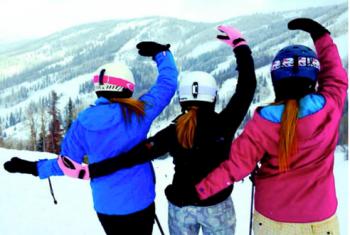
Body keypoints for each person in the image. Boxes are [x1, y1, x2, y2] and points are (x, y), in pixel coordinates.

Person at [87, 25, 256, 235]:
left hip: (180, 205)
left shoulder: (174, 130)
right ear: (213, 96)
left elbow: (135, 156)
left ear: (182, 98)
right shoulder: (224, 123)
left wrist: (96, 169)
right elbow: (247, 87)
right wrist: (240, 46)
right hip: (217, 205)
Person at [4, 41, 179, 235]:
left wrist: (33, 168)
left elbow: (67, 166)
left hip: (106, 205)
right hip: (140, 200)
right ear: (128, 88)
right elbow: (168, 83)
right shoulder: (138, 113)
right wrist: (161, 54)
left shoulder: (82, 123)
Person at [195, 18, 348, 235]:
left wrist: (200, 190)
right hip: (320, 220)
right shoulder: (330, 108)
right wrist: (321, 36)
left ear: (276, 81)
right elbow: (336, 78)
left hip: (271, 218)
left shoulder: (264, 122)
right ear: (314, 80)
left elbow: (235, 166)